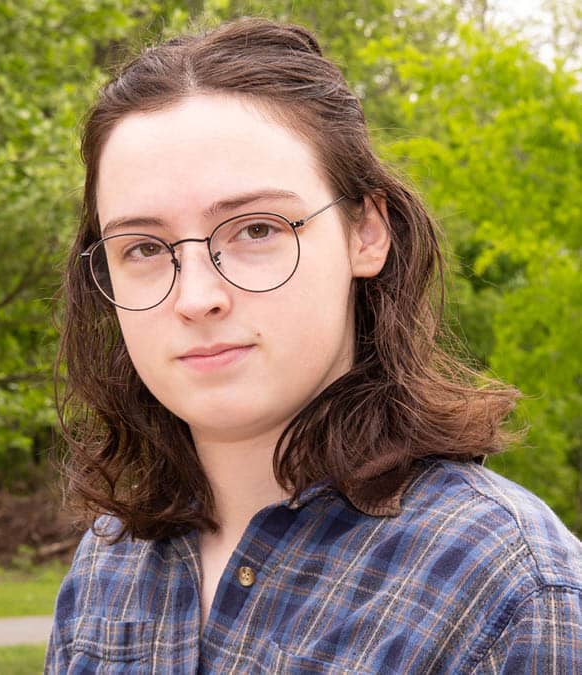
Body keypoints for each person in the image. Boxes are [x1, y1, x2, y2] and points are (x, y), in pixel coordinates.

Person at [45, 16, 581, 674]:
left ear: (366, 234)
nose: (195, 297)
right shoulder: (110, 561)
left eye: (257, 229)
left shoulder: (504, 585)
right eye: (146, 248)